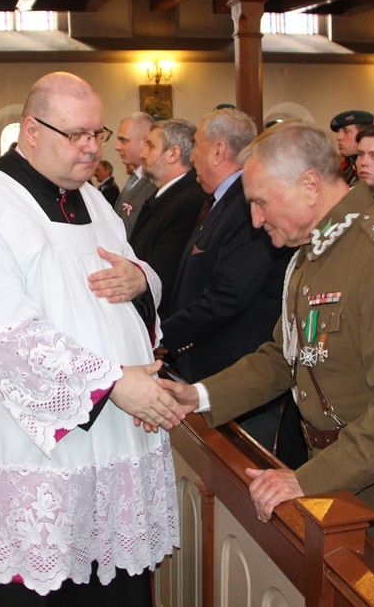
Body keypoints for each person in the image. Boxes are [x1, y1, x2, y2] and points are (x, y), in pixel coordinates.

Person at [0, 72, 185, 604]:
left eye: (98, 133)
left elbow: (121, 285)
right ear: (30, 131)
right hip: (30, 453)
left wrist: (142, 279)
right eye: (76, 135)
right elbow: (4, 335)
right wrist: (113, 383)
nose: (93, 147)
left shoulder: (93, 202)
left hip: (113, 439)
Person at [162, 120, 374, 554]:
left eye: (261, 202)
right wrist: (199, 397)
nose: (257, 220)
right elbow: (285, 357)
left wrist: (306, 479)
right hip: (336, 474)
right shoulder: (314, 250)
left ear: (311, 185)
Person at [157, 107, 298, 463]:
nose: (192, 156)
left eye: (198, 146)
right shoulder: (221, 200)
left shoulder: (242, 204)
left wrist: (161, 336)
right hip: (209, 368)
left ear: (219, 150)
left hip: (238, 375)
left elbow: (228, 294)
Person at [127, 117, 207, 306]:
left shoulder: (187, 201)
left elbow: (162, 272)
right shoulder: (168, 195)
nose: (143, 154)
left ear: (173, 154)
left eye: (151, 146)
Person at [113, 112, 157, 235]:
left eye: (123, 140)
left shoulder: (156, 182)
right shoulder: (135, 178)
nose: (117, 147)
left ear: (145, 141)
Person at [329, 108, 373, 185]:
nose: (338, 137)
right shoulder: (343, 166)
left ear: (363, 134)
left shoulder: (373, 169)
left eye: (346, 131)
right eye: (339, 131)